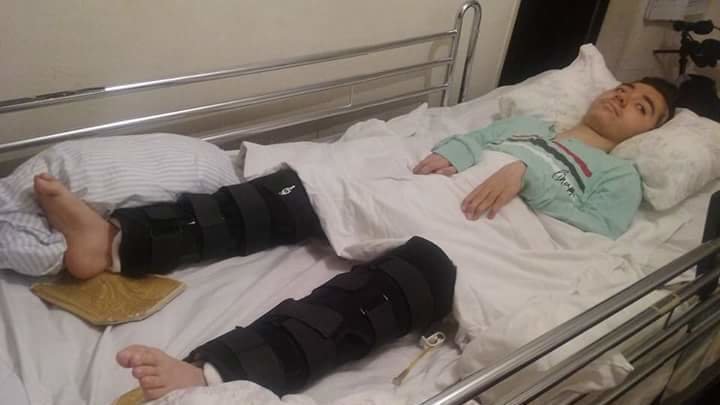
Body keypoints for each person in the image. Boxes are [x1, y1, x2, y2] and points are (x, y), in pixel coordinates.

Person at [32, 77, 677, 400]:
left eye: (642, 105)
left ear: (646, 133)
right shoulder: (533, 126)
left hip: (489, 236)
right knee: (304, 190)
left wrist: (525, 175)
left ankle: (212, 373)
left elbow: (594, 230)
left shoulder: (617, 176)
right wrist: (457, 155)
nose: (625, 98)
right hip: (435, 193)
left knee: (398, 285)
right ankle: (118, 241)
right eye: (624, 89)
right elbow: (473, 140)